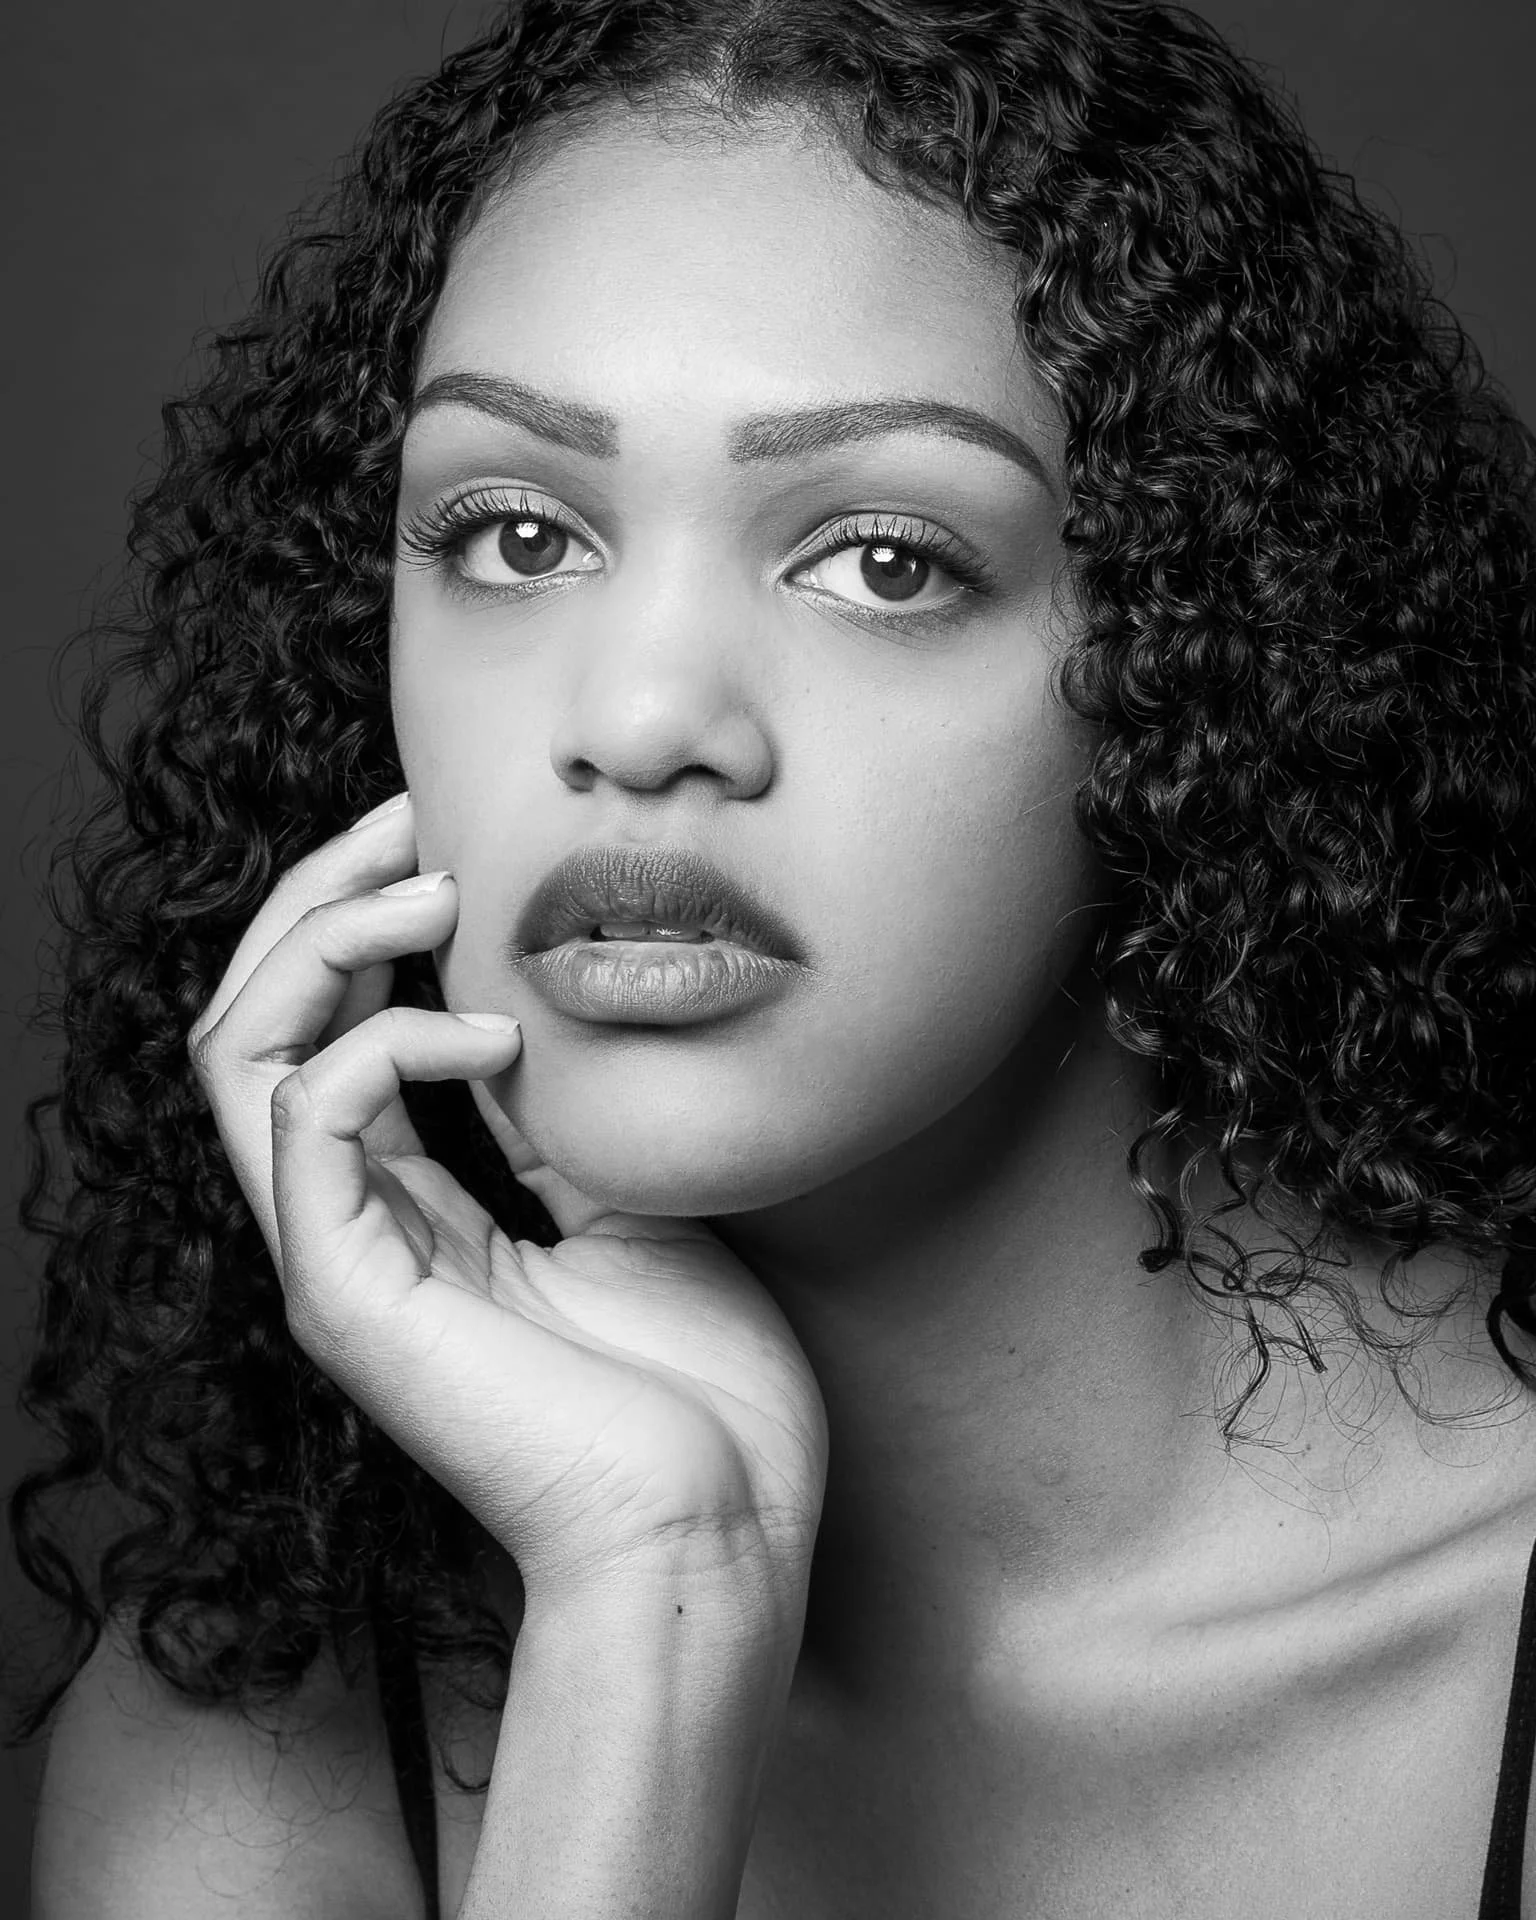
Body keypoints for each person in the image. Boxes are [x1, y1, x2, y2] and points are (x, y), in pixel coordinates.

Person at [14, 0, 1536, 1912]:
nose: (642, 719)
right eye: (511, 534)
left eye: (885, 559)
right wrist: (655, 1599)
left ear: (1215, 661)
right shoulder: (251, 1765)